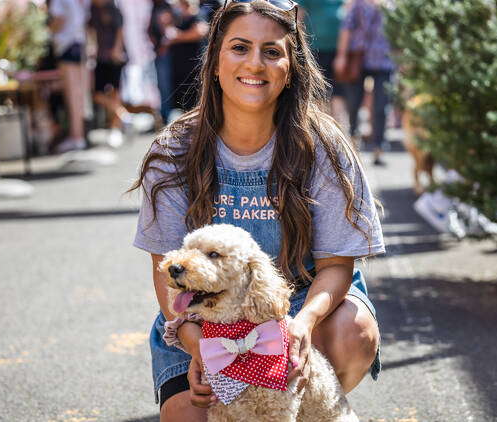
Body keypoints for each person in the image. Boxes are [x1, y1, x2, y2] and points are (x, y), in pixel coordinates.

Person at [129, 1, 385, 420]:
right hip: (201, 317)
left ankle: (306, 406)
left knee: (351, 333)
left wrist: (301, 326)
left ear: (291, 68)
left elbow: (338, 264)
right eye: (240, 48)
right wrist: (201, 348)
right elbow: (168, 277)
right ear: (214, 62)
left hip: (297, 305)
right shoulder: (173, 151)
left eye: (271, 51)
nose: (255, 63)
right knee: (185, 415)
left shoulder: (325, 148)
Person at [334, 0, 395, 166]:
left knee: (381, 106)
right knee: (353, 103)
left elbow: (399, 34)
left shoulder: (392, 6)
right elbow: (346, 29)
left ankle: (379, 149)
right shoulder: (358, 5)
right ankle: (353, 144)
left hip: (384, 62)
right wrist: (342, 55)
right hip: (359, 60)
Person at [49, 0, 90, 153]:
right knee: (78, 94)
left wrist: (47, 31)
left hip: (66, 46)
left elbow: (58, 21)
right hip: (79, 45)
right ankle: (78, 135)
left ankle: (76, 136)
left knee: (73, 94)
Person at [89, 0, 128, 147]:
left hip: (114, 56)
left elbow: (120, 29)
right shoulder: (93, 9)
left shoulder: (112, 7)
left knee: (115, 93)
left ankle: (115, 128)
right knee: (98, 94)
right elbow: (91, 30)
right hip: (100, 56)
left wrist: (117, 49)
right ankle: (123, 114)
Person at [166, 0, 209, 115]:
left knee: (194, 96)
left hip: (193, 65)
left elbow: (200, 32)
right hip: (181, 66)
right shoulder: (179, 18)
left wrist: (179, 37)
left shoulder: (197, 15)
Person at [149, 0, 175, 124]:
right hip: (155, 52)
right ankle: (162, 115)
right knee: (158, 85)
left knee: (165, 85)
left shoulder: (166, 7)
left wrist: (163, 46)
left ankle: (166, 116)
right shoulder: (153, 6)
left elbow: (168, 30)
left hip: (166, 53)